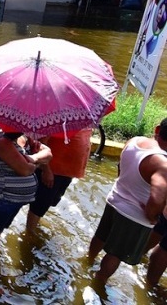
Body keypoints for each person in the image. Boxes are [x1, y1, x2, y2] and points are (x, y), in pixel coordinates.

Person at [88, 121, 167, 284]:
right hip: (134, 216)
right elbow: (157, 199)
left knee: (100, 236)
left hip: (114, 199)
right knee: (115, 254)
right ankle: (99, 281)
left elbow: (119, 168)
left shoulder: (135, 141)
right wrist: (152, 216)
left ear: (157, 129)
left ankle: (88, 261)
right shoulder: (163, 164)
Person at [0, 131, 51, 254]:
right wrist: (36, 164)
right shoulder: (3, 142)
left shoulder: (24, 138)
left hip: (16, 199)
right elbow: (25, 170)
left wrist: (32, 158)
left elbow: (48, 153)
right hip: (3, 198)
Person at [26, 128, 93, 232]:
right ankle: (29, 234)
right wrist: (46, 170)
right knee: (38, 205)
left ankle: (34, 226)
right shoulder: (56, 118)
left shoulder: (83, 118)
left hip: (67, 172)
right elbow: (39, 144)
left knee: (49, 202)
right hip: (52, 172)